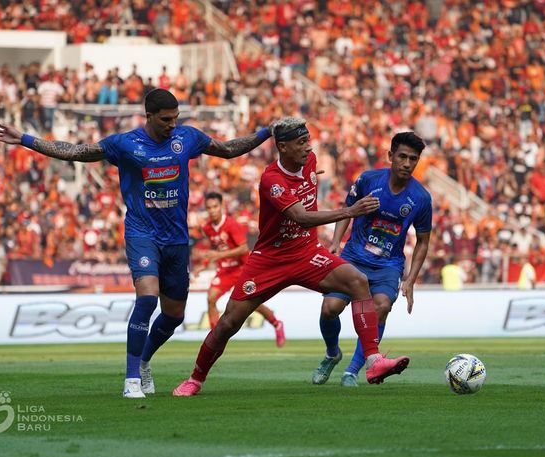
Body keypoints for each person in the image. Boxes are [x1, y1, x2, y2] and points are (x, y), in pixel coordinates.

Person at [0, 88, 275, 397]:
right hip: (142, 234)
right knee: (147, 298)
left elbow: (229, 149)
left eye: (176, 118)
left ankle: (145, 359)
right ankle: (131, 379)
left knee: (174, 316)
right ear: (149, 116)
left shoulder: (187, 138)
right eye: (166, 119)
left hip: (177, 240)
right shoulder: (125, 144)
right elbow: (77, 152)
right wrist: (26, 139)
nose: (172, 125)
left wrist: (266, 132)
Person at [172, 117, 411, 397]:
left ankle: (373, 362)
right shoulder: (272, 180)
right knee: (228, 322)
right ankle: (195, 378)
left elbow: (305, 195)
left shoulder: (309, 162)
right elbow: (301, 217)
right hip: (270, 259)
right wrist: (349, 211)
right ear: (282, 147)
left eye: (308, 141)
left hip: (306, 252)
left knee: (358, 282)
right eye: (301, 143)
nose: (308, 148)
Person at [311, 131, 432, 388]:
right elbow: (347, 211)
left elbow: (423, 241)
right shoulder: (368, 180)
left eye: (413, 159)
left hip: (388, 266)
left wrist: (410, 279)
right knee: (329, 309)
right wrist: (335, 243)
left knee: (381, 307)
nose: (407, 163)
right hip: (354, 257)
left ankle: (353, 371)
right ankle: (332, 353)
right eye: (402, 156)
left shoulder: (421, 199)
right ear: (390, 156)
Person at [195, 191, 285, 346]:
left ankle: (276, 323)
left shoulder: (231, 224)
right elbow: (216, 249)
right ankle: (214, 339)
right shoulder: (208, 228)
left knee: (251, 304)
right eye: (209, 208)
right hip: (225, 271)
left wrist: (218, 256)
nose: (212, 210)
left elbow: (243, 248)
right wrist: (202, 266)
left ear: (221, 206)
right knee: (211, 298)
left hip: (243, 269)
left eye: (215, 206)